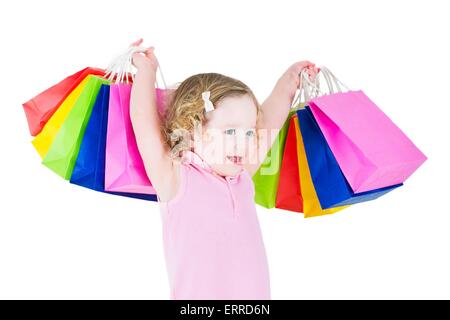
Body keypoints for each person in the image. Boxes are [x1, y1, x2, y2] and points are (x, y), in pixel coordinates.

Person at [129, 38, 318, 299]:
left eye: (249, 131)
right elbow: (145, 125)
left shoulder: (241, 173)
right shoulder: (176, 178)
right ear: (192, 130)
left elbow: (271, 119)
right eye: (230, 131)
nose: (244, 143)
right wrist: (146, 71)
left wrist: (290, 80)